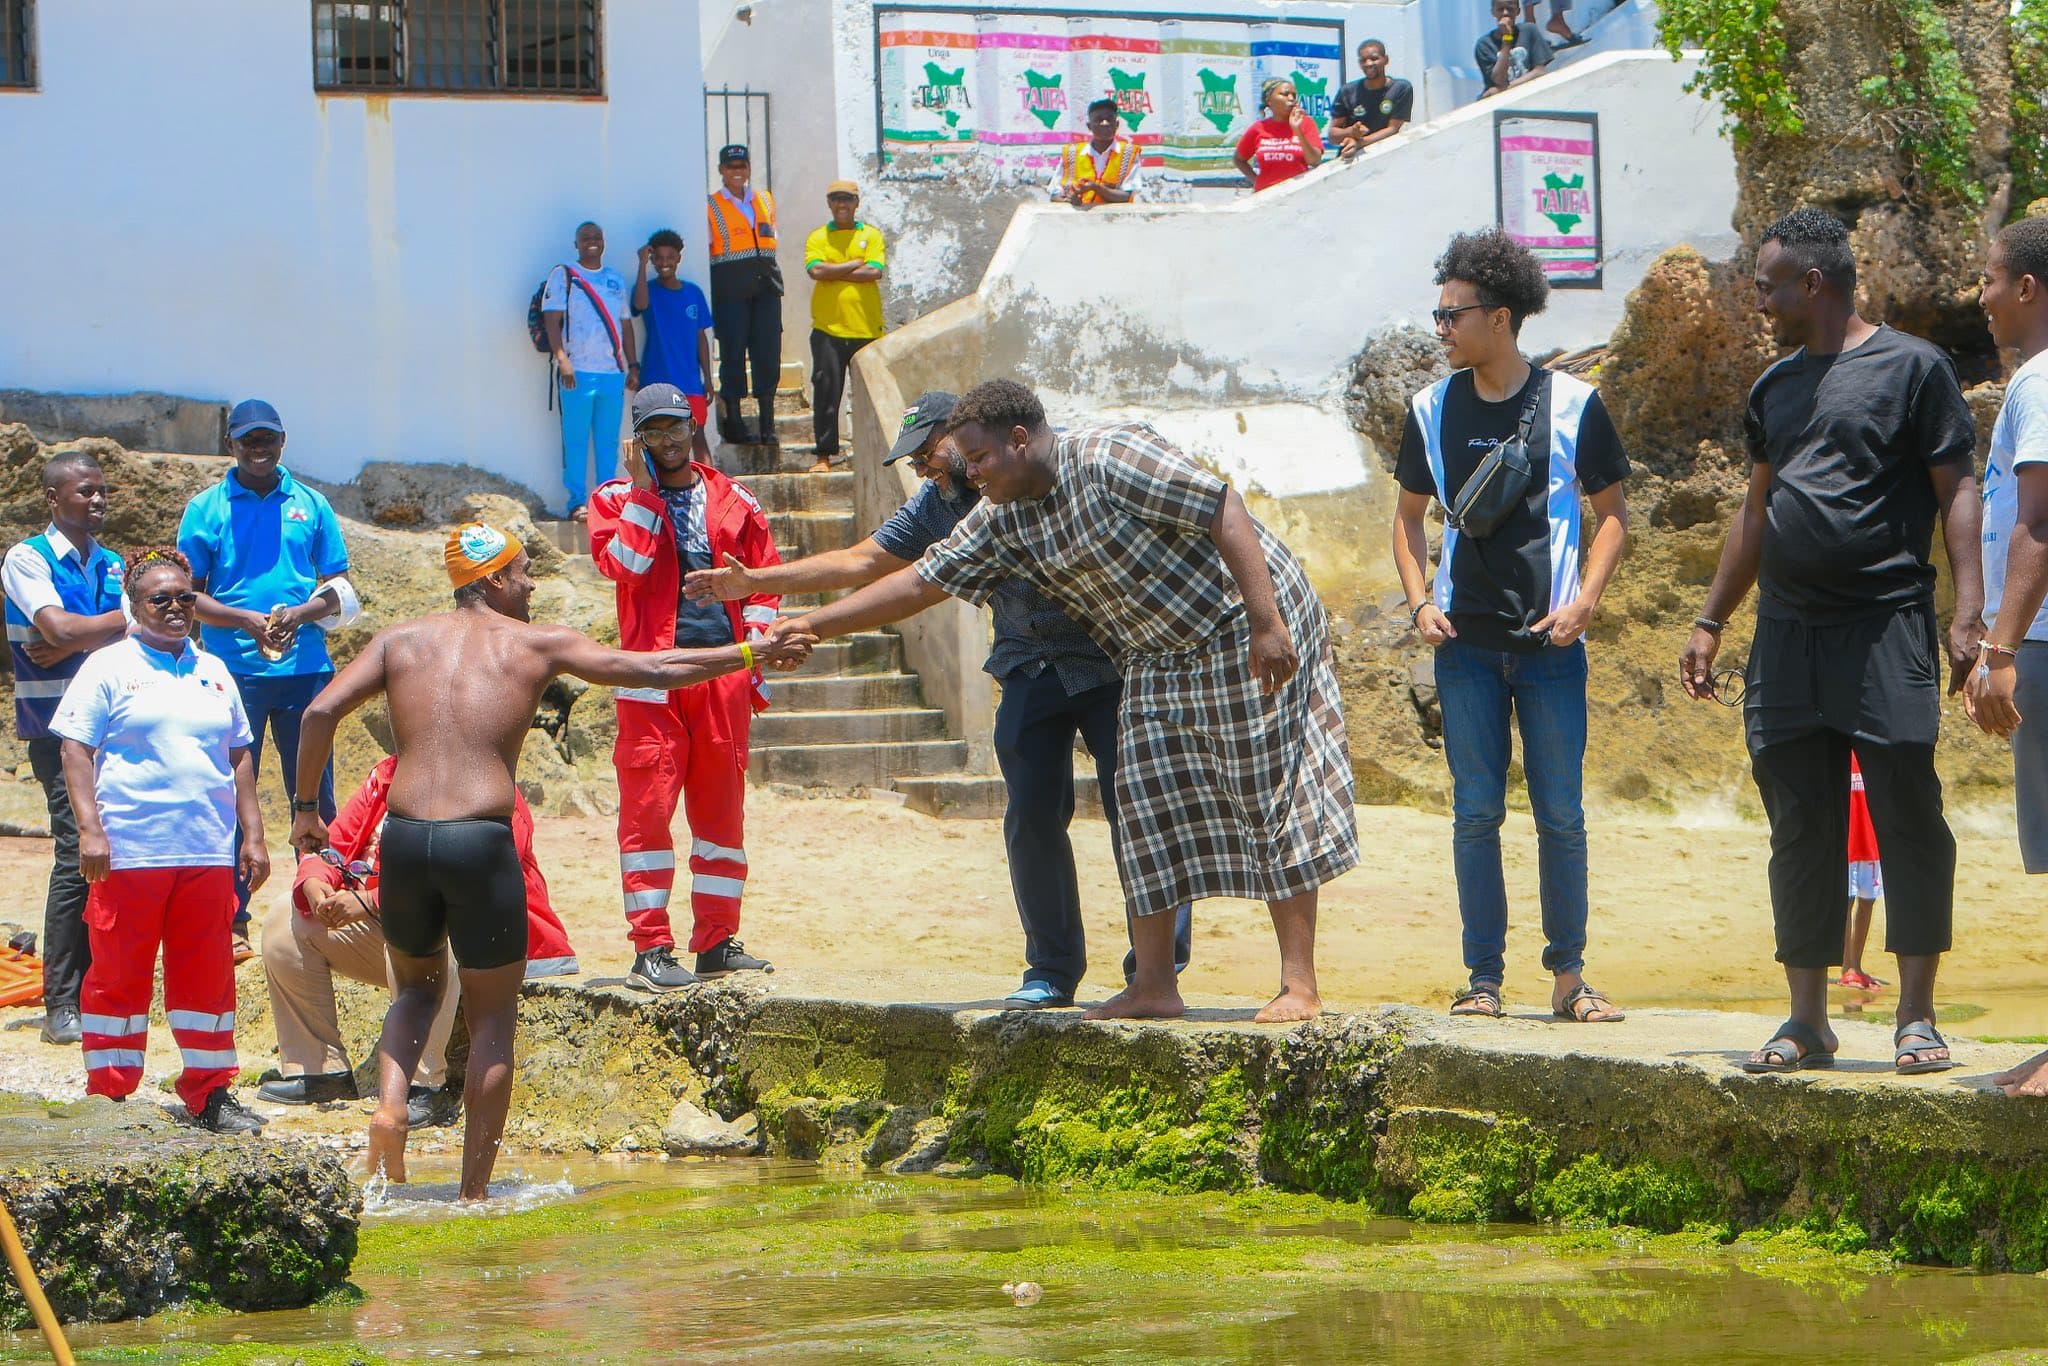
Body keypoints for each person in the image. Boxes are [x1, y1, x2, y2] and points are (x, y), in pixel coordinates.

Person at [764, 379, 1358, 1022]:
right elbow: (918, 582)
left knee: (1266, 789)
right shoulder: (1001, 514)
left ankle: (1299, 984)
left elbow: (1224, 509)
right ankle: (1153, 985)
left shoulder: (1109, 456)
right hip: (1153, 649)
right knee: (1144, 802)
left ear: (1020, 439)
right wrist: (811, 625)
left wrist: (1267, 622)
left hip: (1245, 621)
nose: (971, 473)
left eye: (979, 458)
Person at [288, 522, 812, 1197]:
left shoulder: (399, 640)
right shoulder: (537, 643)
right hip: (479, 839)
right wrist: (750, 651)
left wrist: (306, 809)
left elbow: (319, 713)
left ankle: (390, 1108)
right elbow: (654, 668)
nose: (532, 583)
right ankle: (474, 1194)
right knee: (492, 1019)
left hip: (407, 838)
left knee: (416, 991)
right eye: (523, 570)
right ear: (493, 579)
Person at [685, 390, 1193, 1007]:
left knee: (1139, 809)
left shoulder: (1030, 473)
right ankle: (1052, 969)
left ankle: (1155, 968)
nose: (925, 469)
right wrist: (758, 582)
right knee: (1031, 816)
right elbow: (866, 561)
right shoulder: (941, 501)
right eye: (917, 462)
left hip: (1109, 657)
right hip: (1028, 661)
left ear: (967, 434)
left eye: (928, 453)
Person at [1680, 207, 1980, 1076]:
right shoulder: (1773, 387)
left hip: (1885, 625)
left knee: (1907, 814)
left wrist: (1968, 611)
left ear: (1812, 283)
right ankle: (1808, 1020)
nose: (1759, 301)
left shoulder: (1914, 368)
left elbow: (1957, 490)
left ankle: (1916, 1017)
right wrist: (1710, 619)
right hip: (1786, 636)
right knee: (1800, 823)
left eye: (1768, 286)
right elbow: (1756, 509)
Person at [1391, 227, 1630, 1024]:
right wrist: (1420, 602)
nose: (1441, 328)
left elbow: (1612, 516)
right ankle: (1482, 978)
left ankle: (1569, 978)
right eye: (1439, 313)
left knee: (1561, 813)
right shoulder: (1430, 409)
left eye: (1451, 314)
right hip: (1465, 648)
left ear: (1499, 317)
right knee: (1476, 814)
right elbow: (1406, 518)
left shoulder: (1574, 405)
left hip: (1552, 647)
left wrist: (1585, 602)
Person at [52, 548, 269, 1134]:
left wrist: (253, 834)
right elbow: (75, 749)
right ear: (135, 604)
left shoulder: (214, 669)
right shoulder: (106, 667)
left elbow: (239, 755)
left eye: (185, 597)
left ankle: (210, 1092)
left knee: (207, 977)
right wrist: (90, 829)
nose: (176, 608)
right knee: (118, 976)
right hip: (129, 852)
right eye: (160, 599)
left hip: (206, 852)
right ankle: (110, 1095)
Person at [258, 753, 580, 1126]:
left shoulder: (490, 785)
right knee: (285, 919)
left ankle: (424, 1085)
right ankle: (320, 1069)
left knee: (436, 926)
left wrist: (372, 901)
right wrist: (315, 883)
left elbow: (478, 879)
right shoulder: (385, 775)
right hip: (390, 925)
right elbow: (335, 845)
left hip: (478, 944)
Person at [588, 386, 783, 990]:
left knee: (722, 814)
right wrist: (644, 492)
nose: (668, 441)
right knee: (646, 815)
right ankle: (650, 948)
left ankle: (717, 942)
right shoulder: (614, 498)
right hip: (650, 679)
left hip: (722, 675)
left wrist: (752, 660)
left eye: (676, 428)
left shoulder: (734, 498)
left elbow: (765, 583)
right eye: (654, 432)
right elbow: (626, 567)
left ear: (693, 425)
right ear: (638, 439)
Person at [179, 398, 358, 961]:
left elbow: (339, 587)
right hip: (231, 673)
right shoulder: (206, 508)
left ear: (283, 441)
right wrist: (246, 621)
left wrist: (300, 614)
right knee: (231, 794)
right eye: (247, 440)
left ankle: (324, 909)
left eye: (267, 439)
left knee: (315, 794)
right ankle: (230, 917)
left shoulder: (312, 503)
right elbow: (188, 595)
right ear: (230, 445)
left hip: (306, 670)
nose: (258, 449)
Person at [1961, 213, 2048, 1097]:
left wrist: (2002, 646)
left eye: (1989, 279)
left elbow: (2040, 522)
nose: (1980, 297)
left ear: (2027, 287)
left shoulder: (2041, 381)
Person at [3, 452, 128, 1046]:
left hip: (115, 729)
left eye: (102, 490)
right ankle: (61, 1001)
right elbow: (57, 629)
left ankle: (99, 989)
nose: (97, 499)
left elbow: (149, 626)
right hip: (57, 733)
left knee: (114, 853)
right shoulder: (26, 558)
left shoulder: (113, 562)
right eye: (85, 491)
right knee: (79, 851)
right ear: (53, 499)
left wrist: (82, 636)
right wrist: (111, 625)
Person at [541, 222, 636, 521]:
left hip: (612, 372)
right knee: (576, 440)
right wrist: (562, 359)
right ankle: (576, 502)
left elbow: (625, 325)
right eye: (585, 238)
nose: (592, 242)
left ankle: (606, 501)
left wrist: (632, 365)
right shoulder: (564, 276)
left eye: (597, 237)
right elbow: (551, 321)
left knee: (608, 441)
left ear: (604, 242)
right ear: (576, 244)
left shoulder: (615, 279)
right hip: (577, 371)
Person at [804, 182, 887, 474]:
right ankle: (824, 456)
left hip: (867, 330)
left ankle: (877, 452)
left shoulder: (871, 235)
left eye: (847, 199)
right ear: (829, 203)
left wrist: (833, 271)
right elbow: (816, 270)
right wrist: (853, 264)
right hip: (828, 330)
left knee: (873, 397)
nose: (842, 204)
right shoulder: (818, 236)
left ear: (856, 203)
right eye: (836, 199)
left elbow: (874, 271)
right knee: (826, 393)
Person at [706, 144, 784, 448]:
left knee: (767, 353)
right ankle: (735, 422)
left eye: (742, 165)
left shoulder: (763, 199)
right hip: (730, 290)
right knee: (733, 353)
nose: (737, 171)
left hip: (766, 287)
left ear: (749, 168)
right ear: (721, 171)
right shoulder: (711, 206)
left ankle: (768, 424)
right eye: (731, 166)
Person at [632, 228, 715, 465]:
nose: (664, 263)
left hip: (690, 382)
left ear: (679, 257)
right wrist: (641, 264)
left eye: (670, 257)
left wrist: (708, 379)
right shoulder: (648, 290)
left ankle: (708, 486)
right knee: (656, 442)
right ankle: (657, 488)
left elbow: (701, 339)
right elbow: (639, 304)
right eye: (658, 258)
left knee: (697, 438)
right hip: (655, 382)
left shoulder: (694, 293)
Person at [1839, 754, 1886, 992]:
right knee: (1846, 902)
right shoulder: (1839, 755)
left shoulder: (1875, 755)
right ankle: (1846, 968)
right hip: (1846, 842)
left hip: (1872, 840)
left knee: (1868, 901)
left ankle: (1856, 964)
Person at [1050, 98, 1145, 207]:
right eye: (1098, 120)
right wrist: (1069, 201)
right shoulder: (1071, 153)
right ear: (1089, 126)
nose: (1104, 123)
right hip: (1077, 217)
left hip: (1114, 217)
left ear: (1117, 124)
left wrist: (1096, 188)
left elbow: (1127, 196)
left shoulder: (1128, 153)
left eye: (1109, 119)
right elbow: (1054, 194)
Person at [1234, 78, 1324, 192]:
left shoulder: (1306, 123)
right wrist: (1257, 182)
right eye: (1285, 94)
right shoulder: (1258, 128)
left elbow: (1314, 161)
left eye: (1293, 95)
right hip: (1267, 195)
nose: (1291, 98)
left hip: (1298, 193)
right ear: (1269, 101)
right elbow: (1239, 159)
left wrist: (1297, 129)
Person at [1329, 40, 1413, 159]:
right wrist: (1351, 132)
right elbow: (1332, 135)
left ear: (1386, 60)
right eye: (1363, 60)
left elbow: (1393, 129)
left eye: (1374, 58)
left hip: (1385, 156)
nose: (1368, 63)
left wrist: (1360, 143)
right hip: (1349, 157)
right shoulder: (1347, 91)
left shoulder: (1401, 88)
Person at [1477, 0, 1554, 97]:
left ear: (1518, 11)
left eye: (1510, 9)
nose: (1505, 13)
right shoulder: (1484, 45)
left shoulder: (1529, 30)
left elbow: (1540, 71)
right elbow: (1499, 80)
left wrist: (1506, 88)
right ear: (1493, 12)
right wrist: (1506, 40)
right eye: (1500, 9)